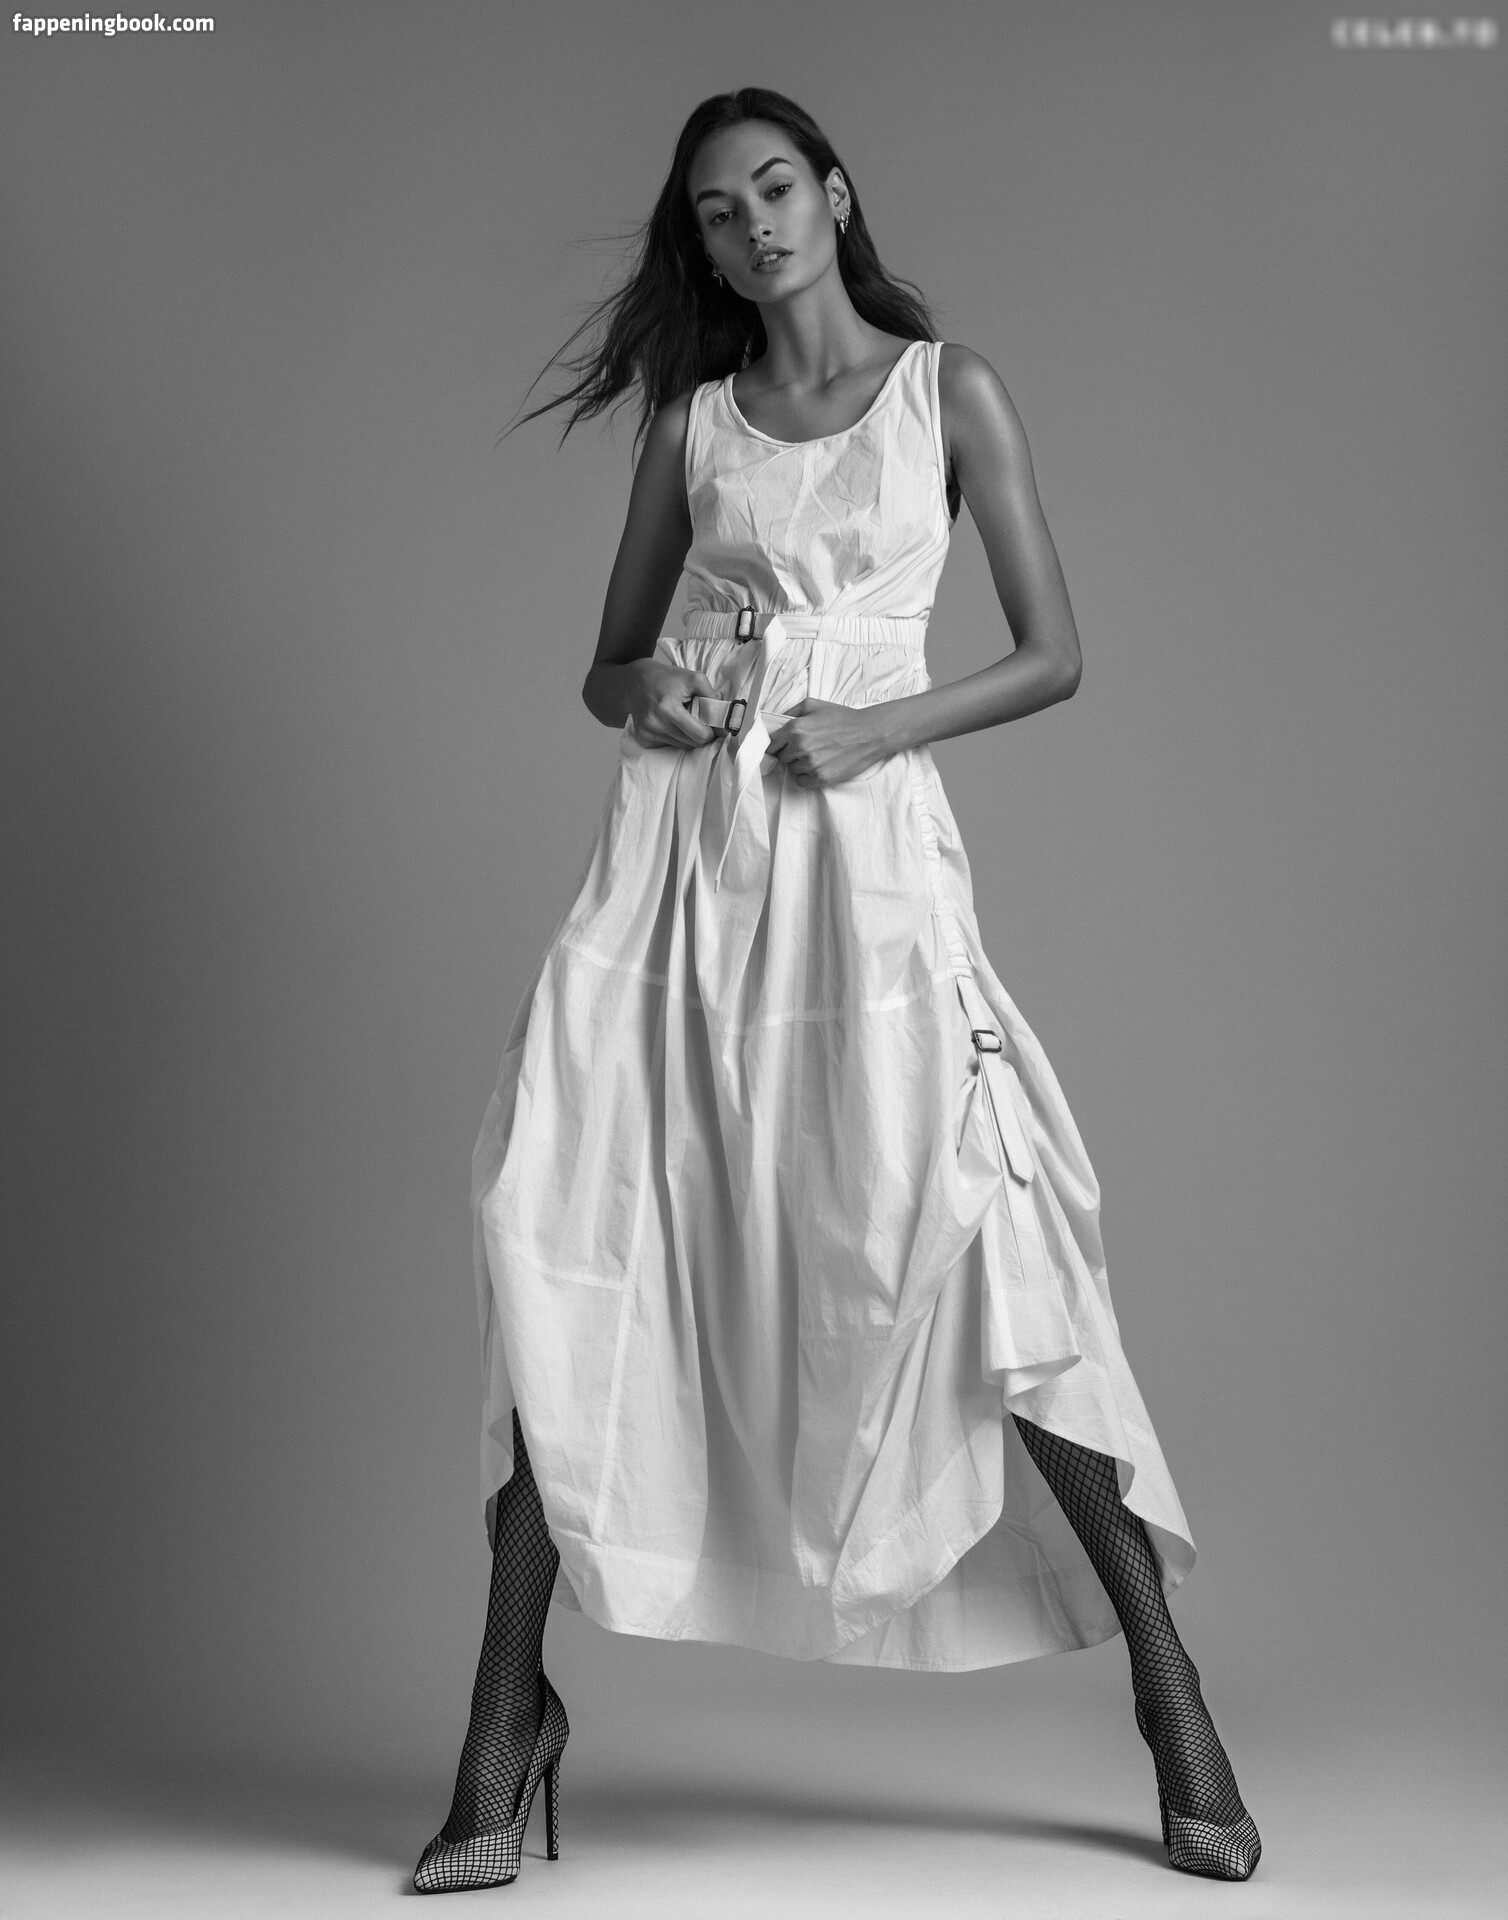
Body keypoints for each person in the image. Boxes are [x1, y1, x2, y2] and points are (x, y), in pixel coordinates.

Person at [413, 86, 1261, 1894]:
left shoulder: (952, 393)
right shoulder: (695, 422)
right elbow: (608, 665)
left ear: (836, 192)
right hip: (678, 870)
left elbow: (1053, 651)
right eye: (716, 214)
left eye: (776, 189)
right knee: (570, 1231)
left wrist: (882, 725)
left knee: (969, 1237)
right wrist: (657, 694)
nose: (752, 228)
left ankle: (1168, 1687)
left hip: (864, 873)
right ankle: (502, 1712)